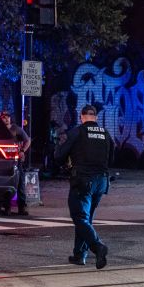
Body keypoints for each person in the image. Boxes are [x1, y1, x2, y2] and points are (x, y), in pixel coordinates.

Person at [55, 104, 115, 270]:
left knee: (79, 217)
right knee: (86, 219)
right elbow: (112, 158)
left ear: (81, 117)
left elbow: (59, 155)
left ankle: (98, 246)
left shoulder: (78, 131)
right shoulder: (105, 133)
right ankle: (79, 255)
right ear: (95, 117)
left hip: (83, 181)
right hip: (101, 181)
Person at [0, 110, 31, 216]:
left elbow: (28, 140)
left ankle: (21, 208)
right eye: (4, 117)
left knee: (20, 183)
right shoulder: (0, 130)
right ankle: (6, 208)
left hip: (17, 161)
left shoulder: (16, 129)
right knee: (6, 184)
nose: (6, 119)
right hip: (4, 160)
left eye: (7, 117)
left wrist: (22, 151)